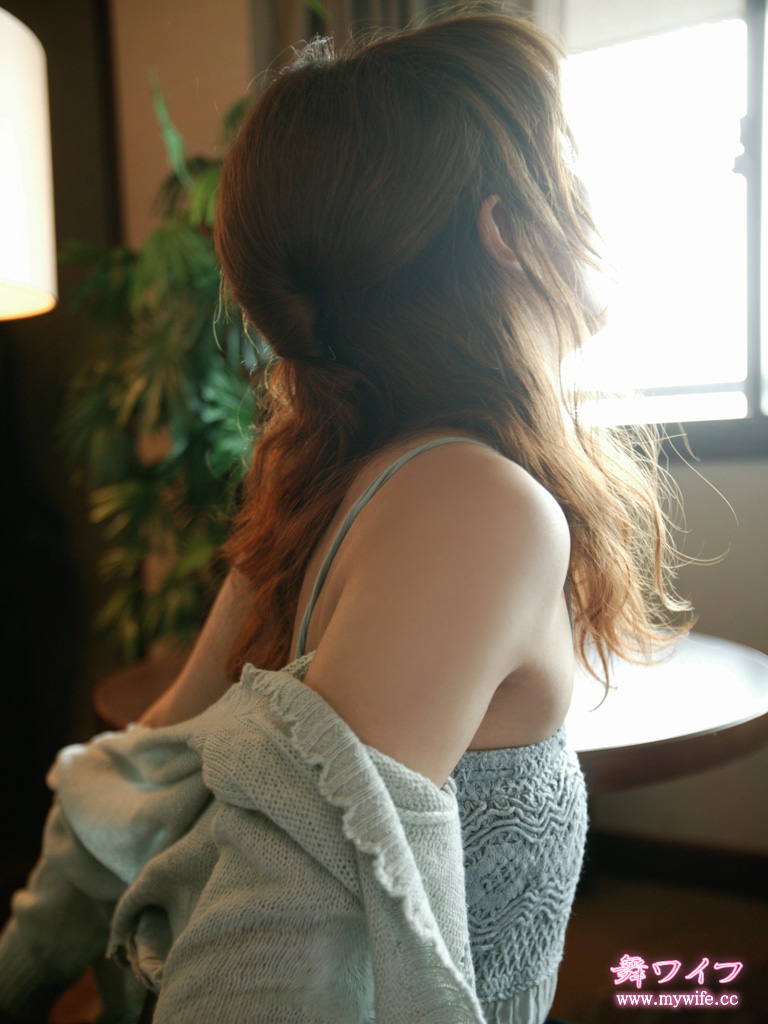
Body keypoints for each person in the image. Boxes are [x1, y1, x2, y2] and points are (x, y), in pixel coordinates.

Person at [0, 6, 692, 1023]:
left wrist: (19, 968)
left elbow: (141, 766)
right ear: (502, 229)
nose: (586, 203)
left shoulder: (328, 478)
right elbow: (274, 969)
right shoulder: (475, 507)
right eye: (567, 172)